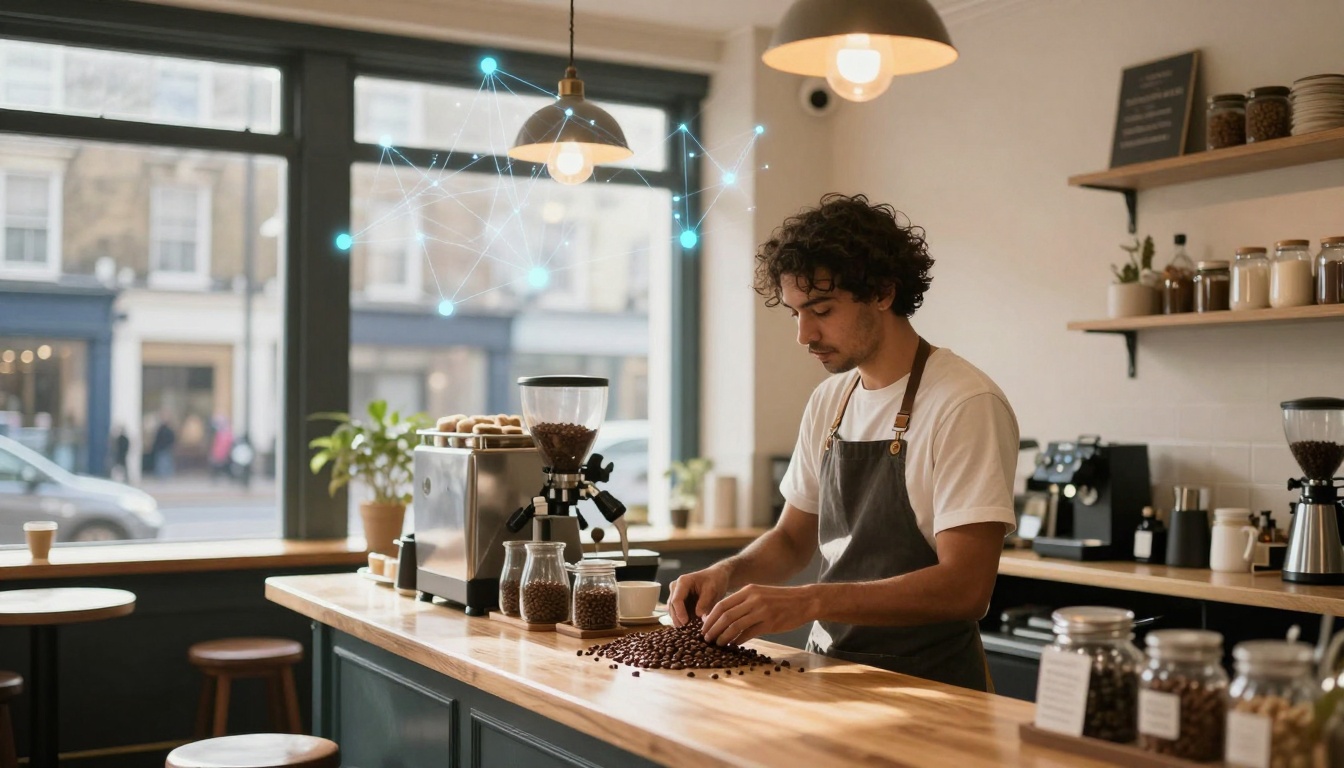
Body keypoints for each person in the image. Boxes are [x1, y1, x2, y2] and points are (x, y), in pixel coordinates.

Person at [667, 193, 1019, 691]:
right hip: (829, 672)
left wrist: (809, 600)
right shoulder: (830, 399)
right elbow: (792, 540)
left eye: (821, 310)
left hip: (932, 686)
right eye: (794, 314)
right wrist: (727, 571)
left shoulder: (964, 402)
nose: (803, 335)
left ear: (882, 292)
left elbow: (965, 588)